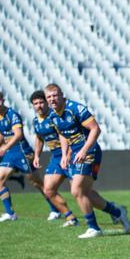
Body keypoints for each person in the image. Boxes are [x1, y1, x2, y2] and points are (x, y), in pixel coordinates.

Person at [44, 83, 130, 238]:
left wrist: (84, 150)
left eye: (55, 95)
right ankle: (118, 212)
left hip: (90, 151)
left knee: (76, 190)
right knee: (86, 193)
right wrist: (64, 154)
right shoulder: (52, 116)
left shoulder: (75, 108)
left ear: (62, 95)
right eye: (49, 97)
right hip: (75, 153)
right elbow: (63, 134)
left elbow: (96, 129)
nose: (53, 99)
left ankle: (94, 228)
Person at [0, 91, 61, 222]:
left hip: (22, 152)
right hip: (10, 154)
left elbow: (18, 135)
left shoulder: (12, 115)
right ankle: (10, 213)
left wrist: (4, 147)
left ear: (3, 100)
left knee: (37, 183)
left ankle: (55, 210)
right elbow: (1, 132)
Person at [30, 90, 79, 227]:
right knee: (48, 190)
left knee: (79, 191)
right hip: (56, 157)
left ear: (46, 102)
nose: (39, 105)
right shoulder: (35, 121)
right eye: (35, 103)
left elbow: (66, 135)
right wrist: (37, 156)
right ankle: (70, 217)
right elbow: (39, 138)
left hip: (70, 154)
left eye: (41, 102)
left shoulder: (55, 116)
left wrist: (67, 155)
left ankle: (112, 210)